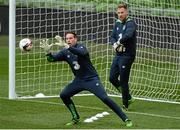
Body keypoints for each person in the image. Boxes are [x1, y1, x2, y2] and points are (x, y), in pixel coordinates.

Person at [40, 32, 133, 127]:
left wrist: (67, 47)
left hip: (91, 80)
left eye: (70, 38)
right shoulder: (65, 51)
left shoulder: (81, 47)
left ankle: (125, 118)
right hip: (79, 80)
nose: (68, 40)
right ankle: (75, 117)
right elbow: (52, 59)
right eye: (67, 39)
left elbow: (82, 53)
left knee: (105, 98)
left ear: (76, 39)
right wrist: (47, 52)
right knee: (64, 94)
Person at [109, 3, 137, 111]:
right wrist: (114, 43)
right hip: (118, 55)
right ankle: (128, 97)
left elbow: (128, 35)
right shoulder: (117, 23)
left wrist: (119, 42)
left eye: (122, 12)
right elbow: (112, 36)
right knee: (112, 78)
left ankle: (125, 104)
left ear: (127, 12)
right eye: (119, 12)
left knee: (123, 80)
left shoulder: (131, 23)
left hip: (127, 55)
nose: (120, 14)